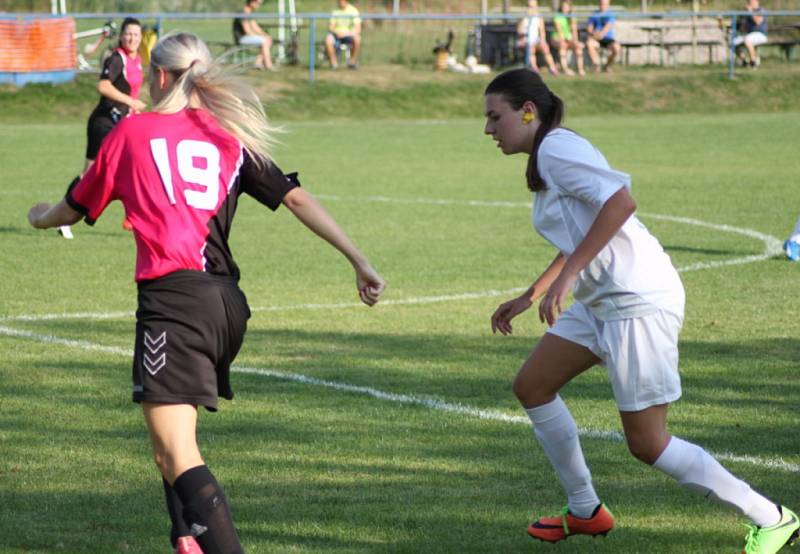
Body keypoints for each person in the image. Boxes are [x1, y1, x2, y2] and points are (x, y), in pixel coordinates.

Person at [27, 32, 386, 554]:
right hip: (225, 305)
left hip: (175, 303)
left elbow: (72, 208)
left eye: (151, 72)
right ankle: (187, 539)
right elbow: (298, 200)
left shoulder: (131, 134)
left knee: (178, 454)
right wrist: (360, 260)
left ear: (163, 77)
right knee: (168, 446)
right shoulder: (229, 137)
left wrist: (40, 218)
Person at [482, 68, 799, 553]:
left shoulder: (557, 148)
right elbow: (579, 231)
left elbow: (620, 203)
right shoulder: (548, 154)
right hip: (602, 302)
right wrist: (534, 291)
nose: (488, 130)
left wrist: (567, 279)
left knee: (648, 444)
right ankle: (585, 510)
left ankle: (772, 517)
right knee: (532, 386)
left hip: (636, 300)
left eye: (494, 117)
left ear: (528, 112)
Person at [57, 17, 146, 240]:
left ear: (141, 37)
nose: (131, 38)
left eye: (135, 34)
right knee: (89, 174)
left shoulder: (138, 60)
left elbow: (132, 90)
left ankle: (134, 218)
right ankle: (61, 218)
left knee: (136, 167)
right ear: (122, 35)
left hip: (123, 124)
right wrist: (130, 102)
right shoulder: (117, 59)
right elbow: (103, 85)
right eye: (128, 34)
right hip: (104, 123)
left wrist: (133, 109)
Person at [516, 0, 559, 76]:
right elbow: (519, 31)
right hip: (525, 40)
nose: (532, 8)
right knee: (531, 48)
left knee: (545, 47)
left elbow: (542, 31)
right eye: (530, 6)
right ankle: (534, 68)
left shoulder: (538, 17)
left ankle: (552, 68)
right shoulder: (524, 17)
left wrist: (543, 40)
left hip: (536, 39)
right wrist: (524, 19)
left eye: (533, 6)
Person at [233, 0, 276, 71]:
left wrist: (265, 35)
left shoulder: (250, 13)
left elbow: (255, 27)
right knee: (265, 41)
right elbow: (248, 31)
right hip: (242, 38)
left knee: (267, 40)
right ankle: (268, 65)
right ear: (251, 1)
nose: (259, 5)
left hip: (248, 37)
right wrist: (263, 37)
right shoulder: (243, 13)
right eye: (257, 3)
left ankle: (258, 63)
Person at [550, 0, 585, 76]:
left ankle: (580, 69)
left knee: (578, 47)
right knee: (563, 46)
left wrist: (575, 41)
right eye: (563, 6)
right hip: (557, 38)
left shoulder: (572, 16)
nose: (565, 8)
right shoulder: (557, 16)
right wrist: (564, 41)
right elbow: (559, 32)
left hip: (568, 39)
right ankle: (565, 70)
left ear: (570, 7)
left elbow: (574, 30)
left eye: (566, 6)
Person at [325, 0, 362, 70]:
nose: (340, 2)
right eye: (339, 1)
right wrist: (337, 32)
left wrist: (346, 33)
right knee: (328, 39)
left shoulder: (353, 10)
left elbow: (358, 29)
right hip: (336, 35)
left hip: (349, 35)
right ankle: (334, 63)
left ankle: (352, 62)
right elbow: (330, 27)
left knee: (357, 39)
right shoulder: (335, 11)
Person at [585, 0, 621, 72]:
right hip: (596, 38)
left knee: (617, 48)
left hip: (607, 39)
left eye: (605, 4)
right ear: (599, 4)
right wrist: (593, 33)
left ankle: (607, 66)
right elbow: (589, 29)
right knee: (589, 44)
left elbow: (606, 29)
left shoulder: (610, 15)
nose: (603, 6)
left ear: (608, 5)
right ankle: (597, 65)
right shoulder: (594, 15)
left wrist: (598, 34)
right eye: (601, 4)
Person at [734, 0, 768, 68]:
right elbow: (742, 28)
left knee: (748, 40)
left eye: (751, 1)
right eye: (749, 2)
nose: (750, 3)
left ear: (757, 1)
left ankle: (753, 62)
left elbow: (757, 22)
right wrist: (743, 17)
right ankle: (744, 61)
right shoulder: (747, 12)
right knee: (733, 42)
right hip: (749, 34)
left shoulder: (761, 10)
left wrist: (750, 12)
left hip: (760, 34)